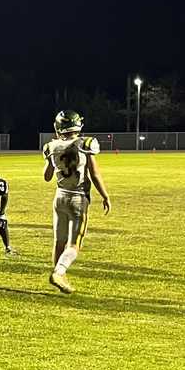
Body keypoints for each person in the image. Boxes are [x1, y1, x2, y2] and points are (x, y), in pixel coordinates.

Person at [43, 110, 112, 294]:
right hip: (78, 197)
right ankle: (59, 272)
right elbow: (95, 174)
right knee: (74, 245)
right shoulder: (86, 144)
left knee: (59, 241)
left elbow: (47, 176)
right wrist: (105, 195)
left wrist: (53, 161)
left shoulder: (51, 146)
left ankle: (59, 277)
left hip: (59, 197)